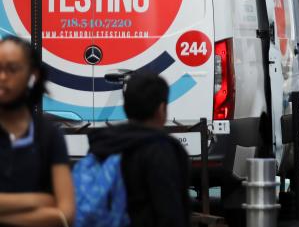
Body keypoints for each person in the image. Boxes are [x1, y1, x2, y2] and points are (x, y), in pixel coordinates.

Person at [86, 73, 190, 227]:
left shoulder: (102, 145)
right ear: (161, 109)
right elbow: (170, 212)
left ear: (126, 108)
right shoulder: (161, 149)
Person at [0, 35, 75, 227]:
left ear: (32, 75)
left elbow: (65, 215)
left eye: (12, 69)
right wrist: (40, 201)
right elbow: (54, 209)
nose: (3, 77)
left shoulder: (49, 134)